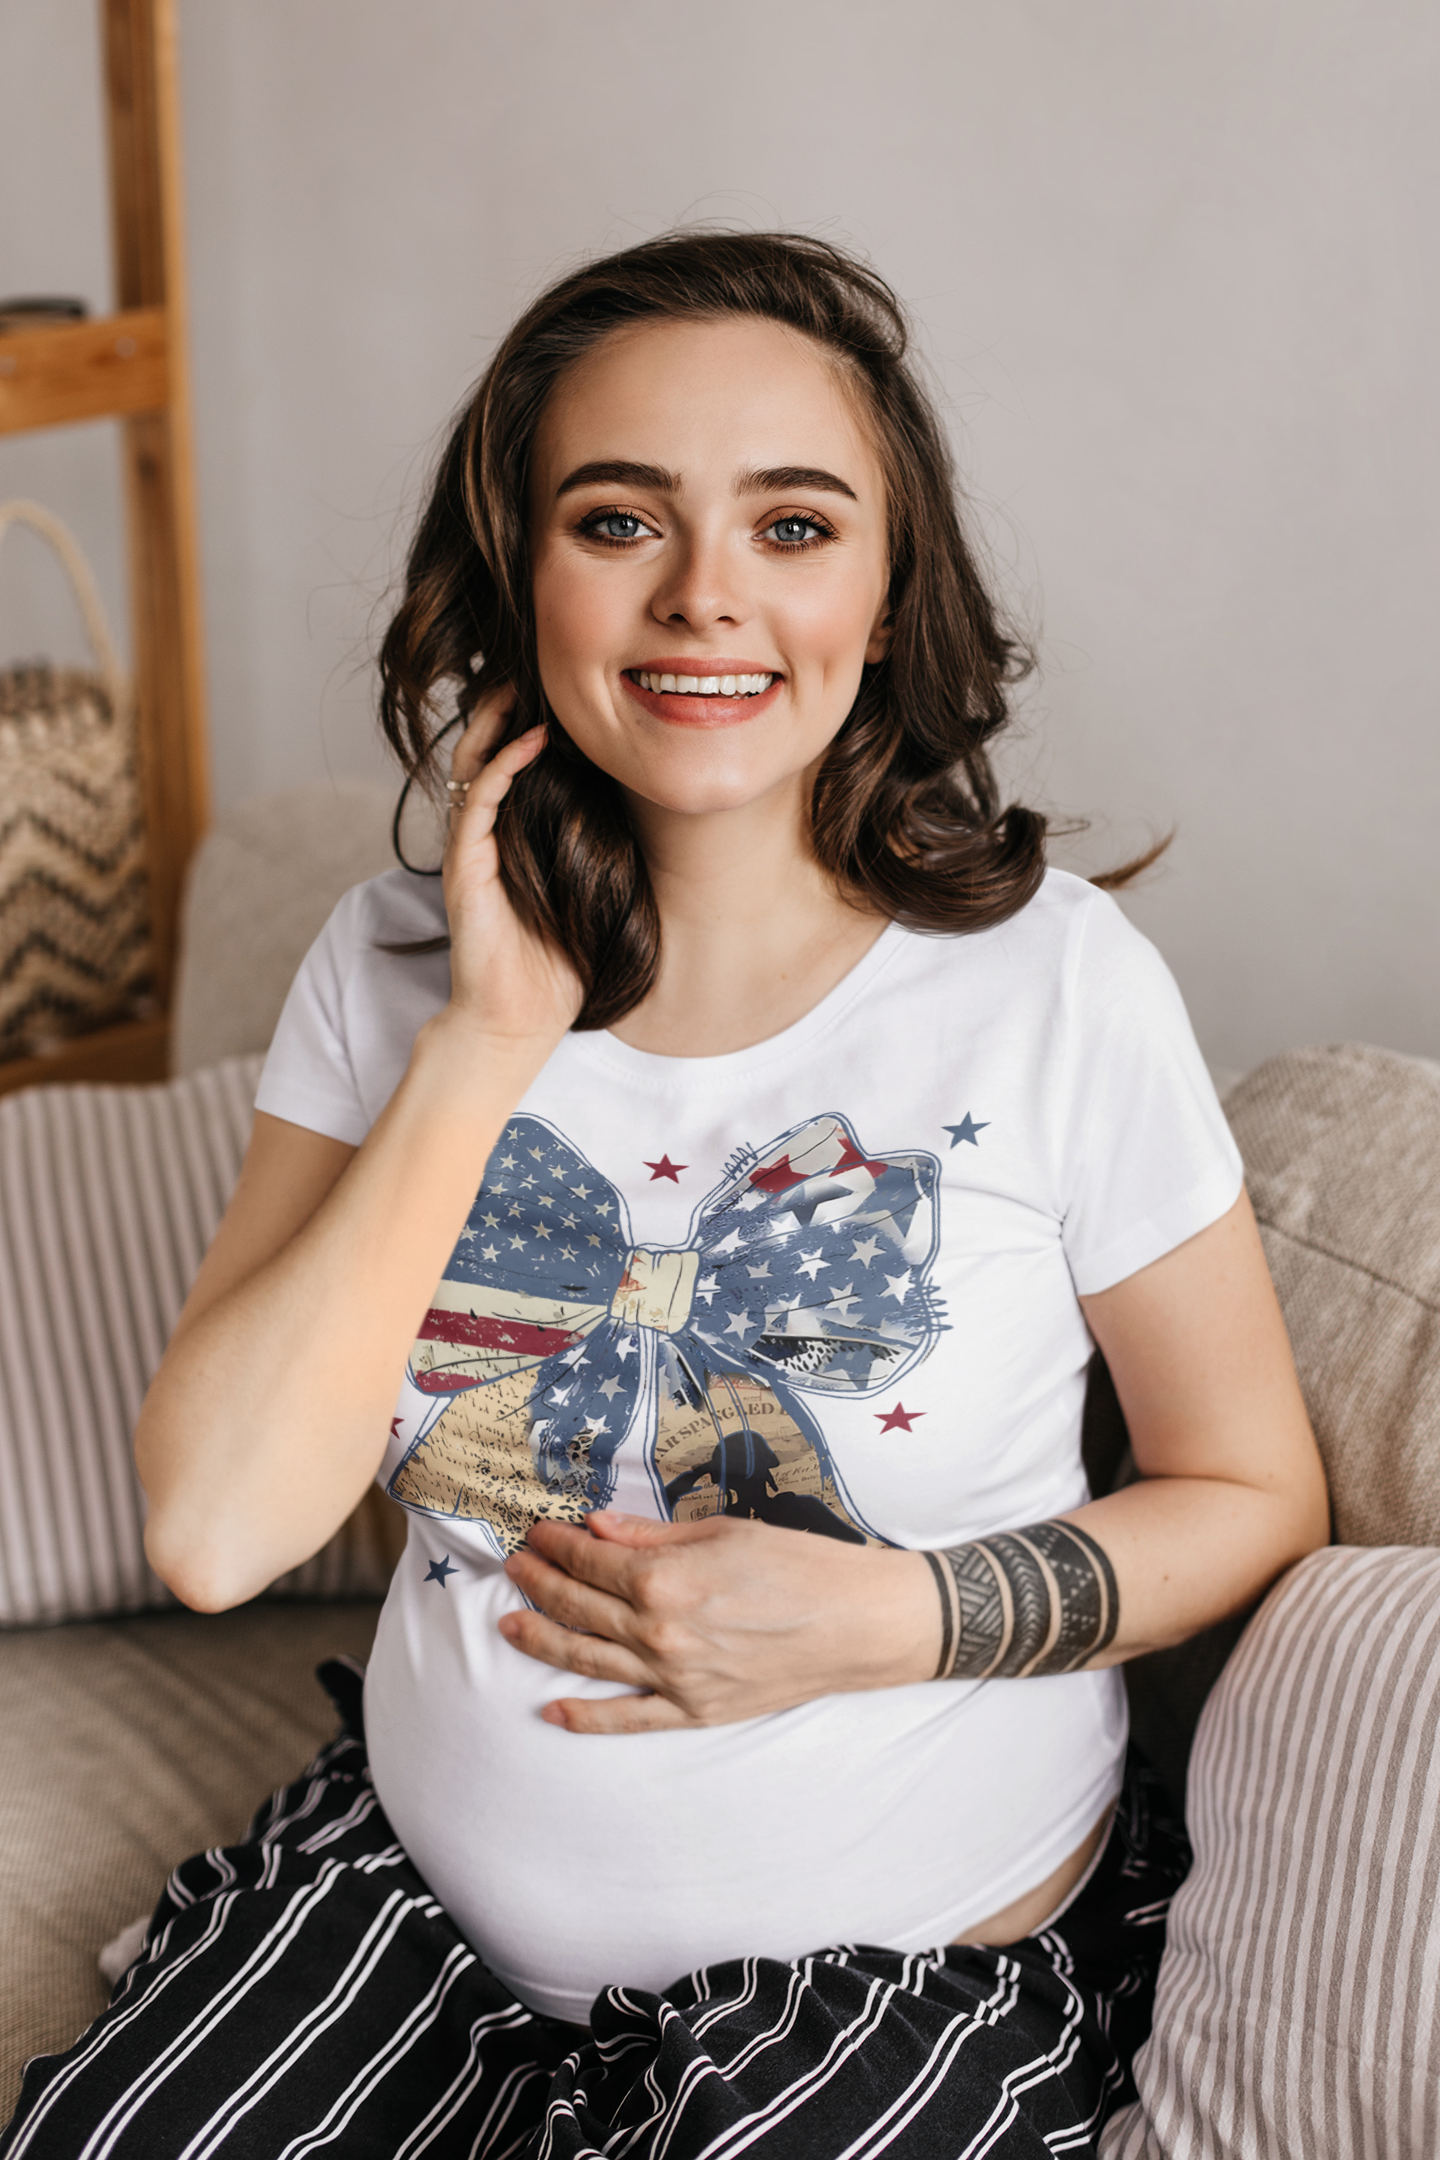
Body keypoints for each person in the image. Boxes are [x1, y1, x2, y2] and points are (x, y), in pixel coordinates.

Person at [2, 232, 1328, 2160]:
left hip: (892, 1993)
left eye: (795, 526)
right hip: (412, 1934)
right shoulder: (386, 972)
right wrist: (488, 1036)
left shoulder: (1053, 985)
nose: (708, 595)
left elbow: (1255, 1493)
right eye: (620, 519)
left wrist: (889, 1624)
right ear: (519, 578)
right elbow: (218, 1528)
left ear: (886, 597)